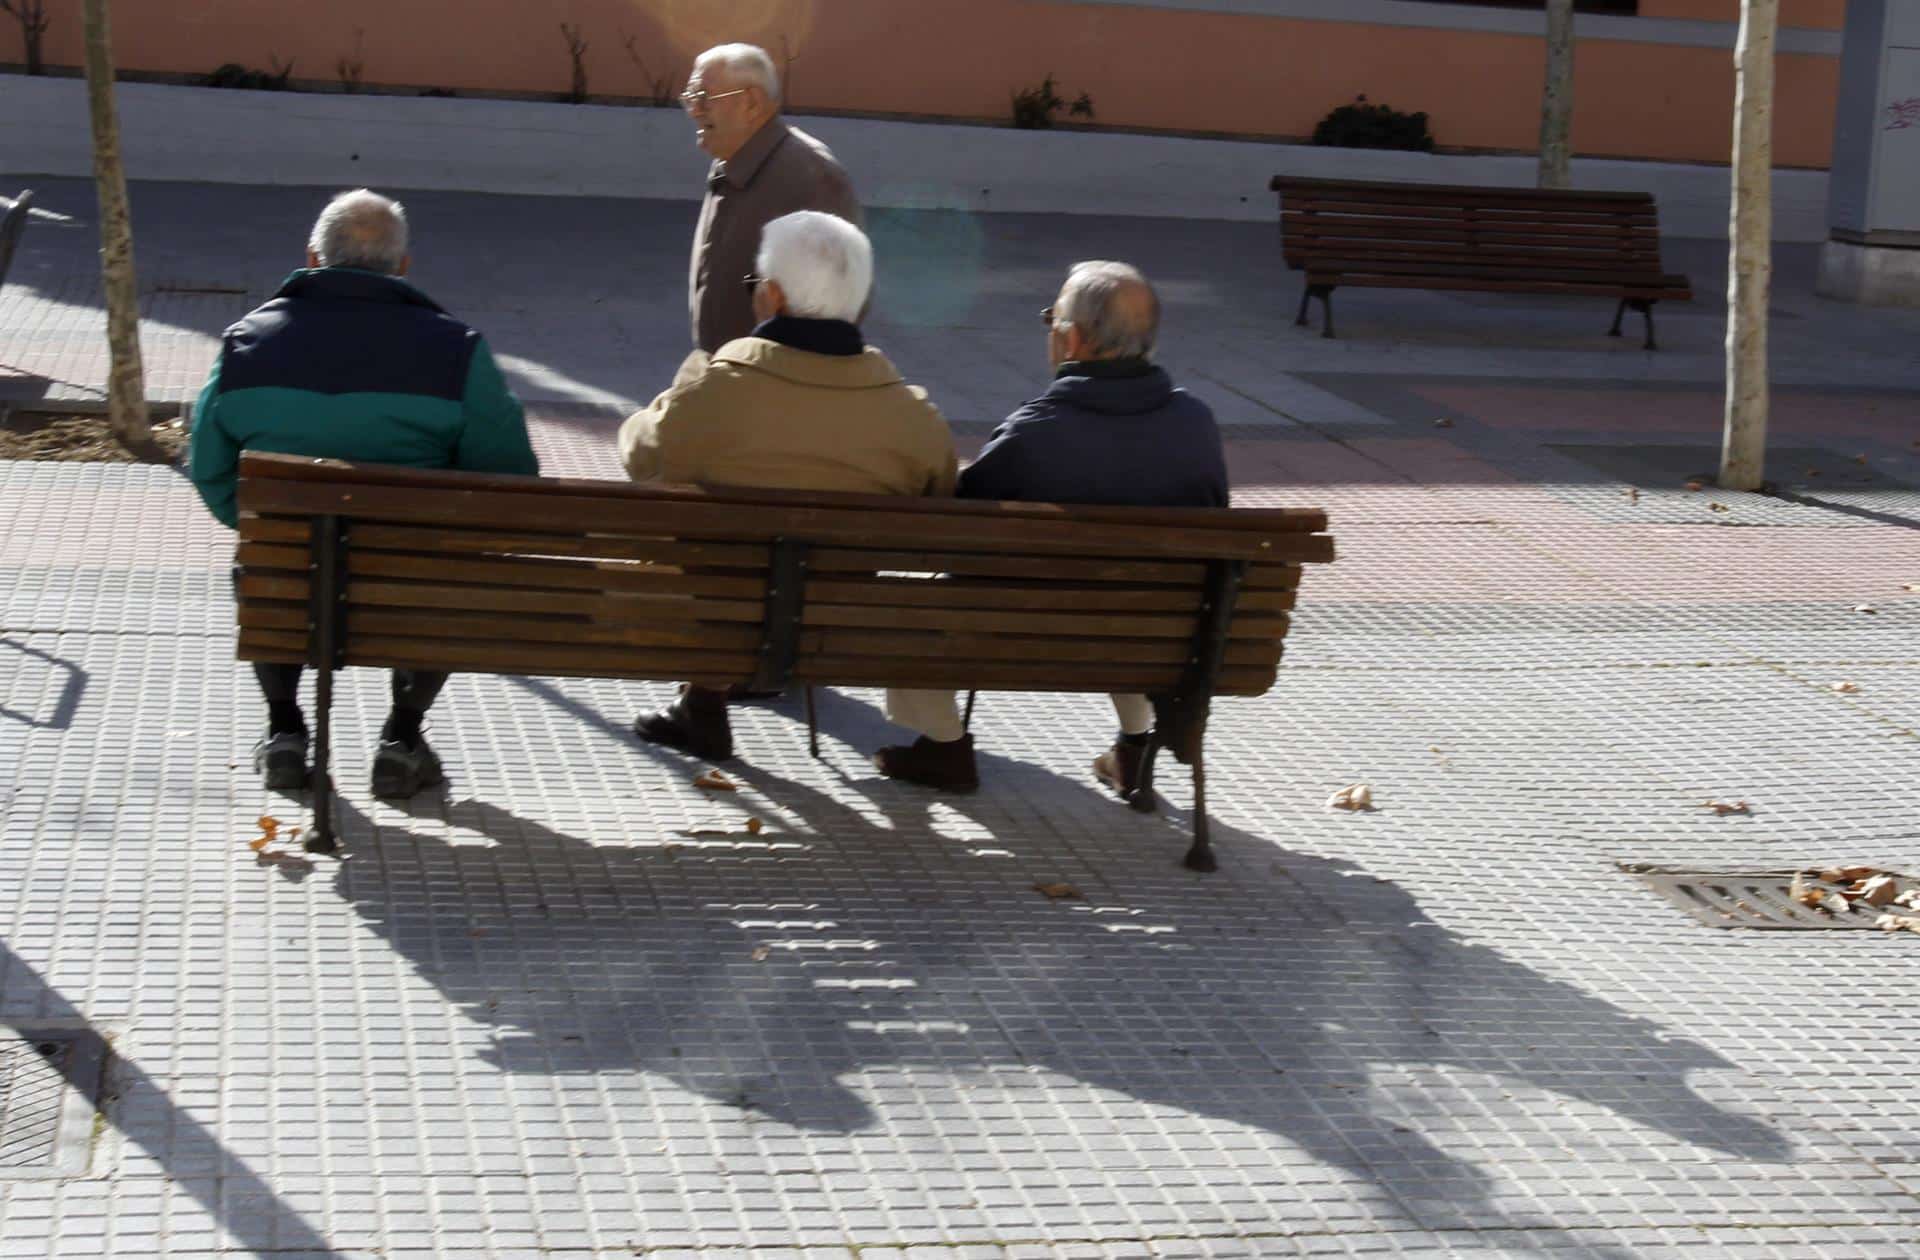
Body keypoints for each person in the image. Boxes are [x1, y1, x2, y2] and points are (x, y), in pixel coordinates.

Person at [188, 188, 540, 798]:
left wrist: (251, 522)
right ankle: (402, 740)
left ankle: (285, 731)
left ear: (313, 258)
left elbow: (209, 466)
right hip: (414, 581)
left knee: (267, 563)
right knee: (446, 572)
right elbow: (507, 478)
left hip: (287, 569)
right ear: (402, 267)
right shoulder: (458, 350)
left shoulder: (245, 344)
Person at [875, 261, 1228, 796]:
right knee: (1148, 601)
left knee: (919, 602)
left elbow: (951, 535)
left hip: (1021, 637)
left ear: (1072, 339)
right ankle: (1136, 745)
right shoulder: (1197, 425)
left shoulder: (1035, 433)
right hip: (1156, 638)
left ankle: (944, 746)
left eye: (1051, 321)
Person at [619, 210, 955, 762]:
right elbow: (943, 494)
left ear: (771, 297)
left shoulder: (716, 390)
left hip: (716, 620)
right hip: (838, 629)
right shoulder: (911, 416)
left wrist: (676, 392)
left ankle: (703, 697)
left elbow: (639, 454)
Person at [681, 43, 862, 364]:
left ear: (751, 103)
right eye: (690, 97)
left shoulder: (812, 177)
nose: (694, 109)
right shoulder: (730, 161)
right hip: (724, 379)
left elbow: (835, 313)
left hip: (773, 391)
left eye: (703, 97)